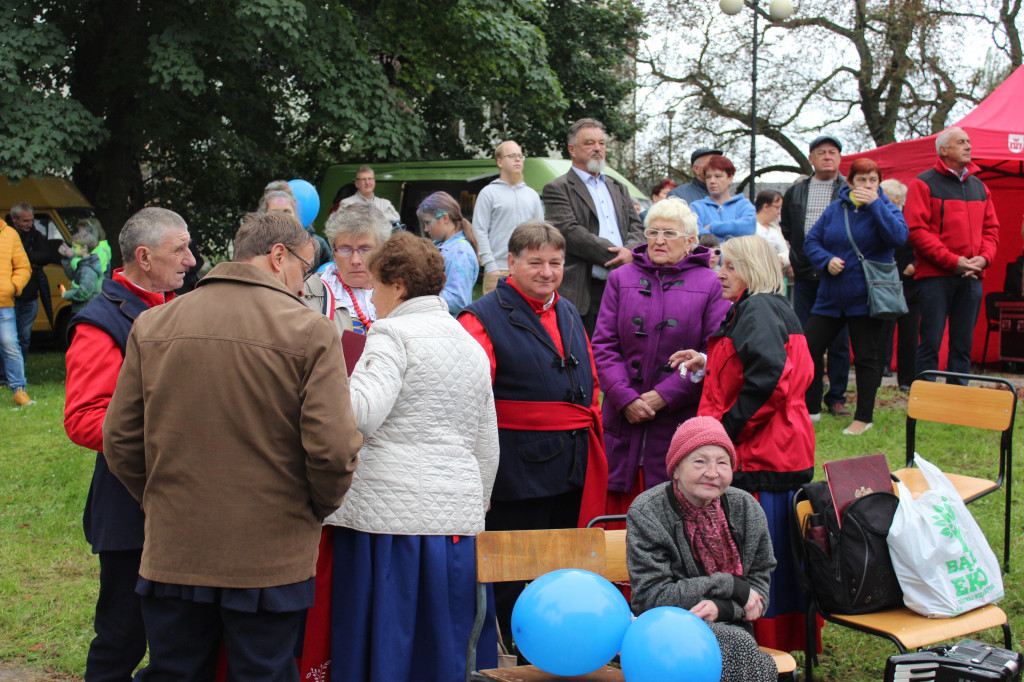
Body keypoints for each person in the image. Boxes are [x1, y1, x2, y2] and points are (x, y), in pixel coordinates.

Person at [100, 211, 361, 681]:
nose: (306, 284)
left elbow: (120, 439)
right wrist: (312, 508)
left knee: (175, 671)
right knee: (262, 671)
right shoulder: (310, 330)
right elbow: (334, 449)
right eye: (305, 268)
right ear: (278, 256)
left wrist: (161, 498)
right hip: (270, 552)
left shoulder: (154, 323)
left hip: (176, 545)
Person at [322, 231, 499, 681]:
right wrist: (473, 505)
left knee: (388, 645)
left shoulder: (391, 334)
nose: (372, 296)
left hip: (387, 523)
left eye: (377, 284)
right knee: (444, 647)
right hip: (456, 525)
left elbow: (360, 414)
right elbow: (488, 446)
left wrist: (326, 380)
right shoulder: (469, 344)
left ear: (398, 285)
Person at [459, 221, 608, 652]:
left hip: (572, 462)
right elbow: (473, 401)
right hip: (515, 471)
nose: (547, 272)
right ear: (511, 262)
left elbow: (588, 375)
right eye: (536, 262)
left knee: (561, 564)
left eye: (556, 263)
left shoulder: (568, 310)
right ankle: (510, 654)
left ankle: (557, 648)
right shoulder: (480, 318)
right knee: (513, 570)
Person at [63, 207, 196, 681]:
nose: (191, 259)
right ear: (144, 256)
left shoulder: (173, 305)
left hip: (175, 503)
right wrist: (168, 434)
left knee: (178, 639)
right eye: (179, 249)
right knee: (122, 637)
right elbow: (83, 419)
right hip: (128, 507)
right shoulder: (100, 322)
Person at [671, 235, 814, 653]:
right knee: (768, 558)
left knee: (759, 560)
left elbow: (770, 382)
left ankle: (760, 652)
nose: (720, 274)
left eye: (729, 266)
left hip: (763, 455)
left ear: (751, 268)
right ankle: (768, 648)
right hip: (776, 450)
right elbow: (753, 365)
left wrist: (723, 437)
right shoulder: (763, 308)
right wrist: (707, 360)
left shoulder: (758, 310)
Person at [592, 198, 730, 511]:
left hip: (676, 415)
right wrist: (625, 398)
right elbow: (604, 344)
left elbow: (713, 352)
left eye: (669, 233)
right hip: (622, 413)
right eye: (652, 232)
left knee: (672, 503)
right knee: (616, 512)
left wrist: (663, 395)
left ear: (691, 242)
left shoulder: (711, 284)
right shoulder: (621, 279)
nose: (659, 240)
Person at [627, 416, 777, 682]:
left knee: (735, 642)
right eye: (700, 461)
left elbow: (759, 591)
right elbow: (650, 598)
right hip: (667, 633)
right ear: (675, 469)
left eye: (722, 463)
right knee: (736, 645)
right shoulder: (648, 511)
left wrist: (723, 609)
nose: (712, 472)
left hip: (733, 627)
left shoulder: (746, 508)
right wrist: (729, 585)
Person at [802, 158, 908, 435]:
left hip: (867, 296)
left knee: (865, 357)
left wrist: (875, 205)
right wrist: (826, 260)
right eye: (862, 179)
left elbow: (898, 237)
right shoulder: (835, 209)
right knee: (808, 348)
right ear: (849, 182)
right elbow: (811, 241)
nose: (868, 185)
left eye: (873, 179)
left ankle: (864, 417)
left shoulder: (887, 207)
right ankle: (810, 409)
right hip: (830, 297)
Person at [905, 127, 1000, 384]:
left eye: (969, 142)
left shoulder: (979, 186)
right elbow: (916, 230)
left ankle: (957, 400)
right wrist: (953, 261)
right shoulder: (923, 183)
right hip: (936, 277)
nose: (969, 146)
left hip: (971, 277)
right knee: (931, 342)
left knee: (962, 345)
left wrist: (984, 258)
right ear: (944, 150)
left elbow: (992, 229)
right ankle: (925, 397)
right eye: (961, 142)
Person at [542, 118, 645, 336]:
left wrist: (630, 252)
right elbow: (569, 232)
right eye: (589, 143)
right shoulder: (558, 188)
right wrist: (616, 256)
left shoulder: (619, 188)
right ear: (572, 149)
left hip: (623, 286)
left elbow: (637, 227)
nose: (597, 148)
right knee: (583, 356)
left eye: (602, 143)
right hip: (583, 290)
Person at [780, 135, 851, 420]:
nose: (827, 157)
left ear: (840, 158)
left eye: (833, 152)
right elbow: (788, 227)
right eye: (821, 152)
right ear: (811, 158)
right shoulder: (796, 191)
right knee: (805, 339)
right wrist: (798, 257)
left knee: (839, 340)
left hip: (840, 273)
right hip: (806, 274)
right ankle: (807, 396)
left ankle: (837, 397)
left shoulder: (848, 189)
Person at [474, 140, 545, 294]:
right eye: (512, 155)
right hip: (498, 270)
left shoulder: (531, 195)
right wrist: (491, 266)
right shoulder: (488, 193)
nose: (518, 159)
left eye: (520, 156)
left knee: (527, 316)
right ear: (499, 162)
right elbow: (479, 231)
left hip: (528, 270)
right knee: (495, 317)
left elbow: (541, 233)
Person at [319, 203, 392, 334]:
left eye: (365, 249)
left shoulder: (400, 291)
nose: (355, 260)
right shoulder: (316, 294)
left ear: (382, 251)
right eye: (345, 250)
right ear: (334, 253)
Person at [879, 179, 918, 390]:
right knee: (881, 330)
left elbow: (922, 245)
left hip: (909, 283)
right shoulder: (877, 218)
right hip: (884, 283)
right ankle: (879, 371)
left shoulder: (911, 219)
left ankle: (907, 379)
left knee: (909, 334)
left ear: (895, 198)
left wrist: (915, 264)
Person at [9, 202, 60, 360]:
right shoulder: (8, 236)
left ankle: (20, 368)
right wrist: (31, 260)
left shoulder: (35, 235)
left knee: (24, 336)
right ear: (14, 219)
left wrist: (23, 259)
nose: (30, 224)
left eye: (31, 220)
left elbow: (46, 255)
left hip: (31, 296)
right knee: (9, 338)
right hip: (10, 297)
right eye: (26, 221)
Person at [419, 191, 480, 316]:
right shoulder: (443, 246)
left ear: (445, 218)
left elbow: (458, 301)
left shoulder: (460, 252)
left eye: (428, 222)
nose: (425, 229)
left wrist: (420, 293)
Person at [260, 182, 332, 272]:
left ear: (295, 212)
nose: (282, 217)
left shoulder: (318, 245)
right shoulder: (257, 245)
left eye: (286, 211)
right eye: (275, 212)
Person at [1, 217, 31, 405]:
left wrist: (13, 286)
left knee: (10, 343)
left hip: (3, 302)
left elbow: (23, 267)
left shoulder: (10, 234)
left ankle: (19, 389)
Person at [690, 156, 756, 241]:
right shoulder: (696, 207)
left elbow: (748, 228)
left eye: (718, 176)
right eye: (708, 177)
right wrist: (734, 230)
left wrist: (712, 227)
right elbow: (697, 236)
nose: (712, 181)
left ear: (730, 178)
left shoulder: (744, 205)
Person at [60, 229, 103, 313]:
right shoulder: (86, 265)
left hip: (86, 312)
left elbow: (84, 292)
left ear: (84, 247)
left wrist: (66, 294)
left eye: (75, 247)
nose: (72, 249)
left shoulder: (87, 269)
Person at [754, 190, 789, 273]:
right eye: (777, 207)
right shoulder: (750, 228)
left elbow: (787, 253)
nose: (779, 212)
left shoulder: (777, 229)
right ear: (766, 206)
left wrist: (781, 259)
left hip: (776, 279)